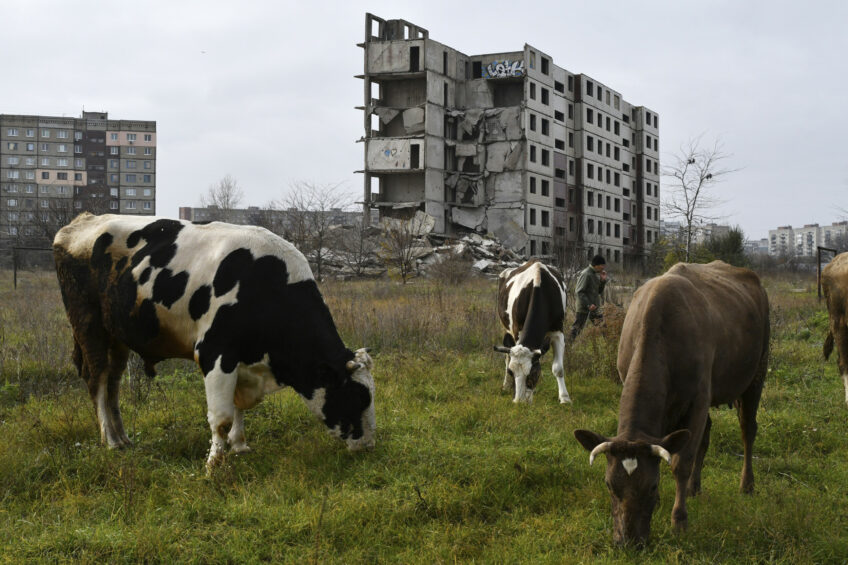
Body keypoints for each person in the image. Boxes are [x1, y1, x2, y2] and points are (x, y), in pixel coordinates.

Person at [569, 254, 608, 341]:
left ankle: (609, 347)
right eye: (602, 266)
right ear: (597, 265)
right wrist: (588, 304)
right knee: (577, 329)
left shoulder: (594, 274)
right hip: (584, 308)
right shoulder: (586, 274)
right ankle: (567, 347)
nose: (603, 268)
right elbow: (579, 292)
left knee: (603, 327)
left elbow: (598, 292)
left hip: (594, 308)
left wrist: (602, 281)